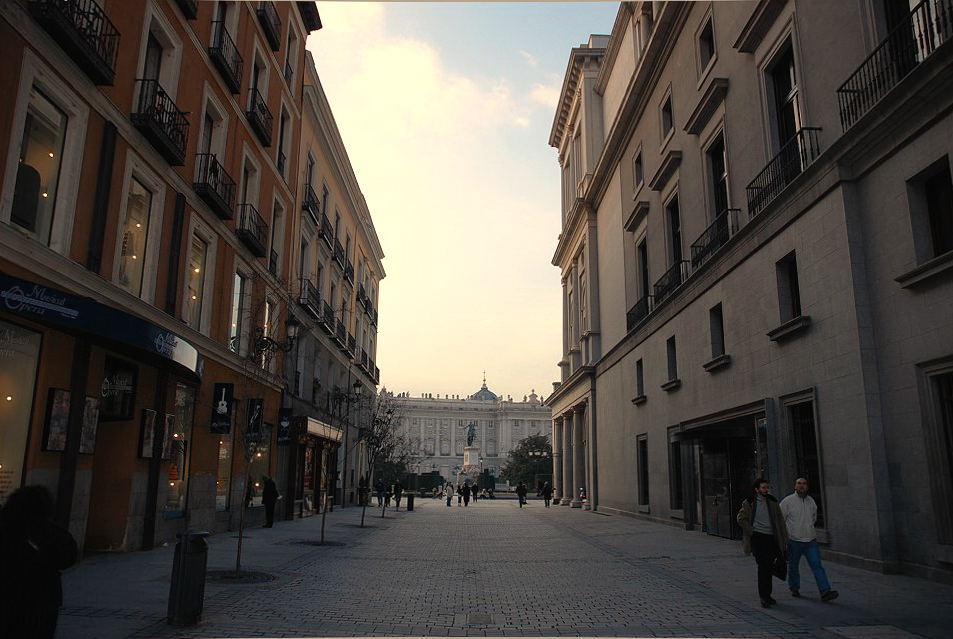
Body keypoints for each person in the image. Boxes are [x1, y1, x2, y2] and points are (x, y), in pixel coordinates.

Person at [0, 485, 78, 639]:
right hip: (42, 601)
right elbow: (68, 556)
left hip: (13, 599)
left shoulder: (8, 529)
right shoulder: (50, 532)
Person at [780, 477, 839, 602]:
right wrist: (786, 537)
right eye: (799, 484)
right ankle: (794, 586)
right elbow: (781, 520)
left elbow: (813, 518)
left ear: (807, 486)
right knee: (794, 566)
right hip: (794, 540)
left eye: (804, 484)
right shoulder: (787, 501)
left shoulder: (811, 501)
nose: (802, 486)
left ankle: (825, 591)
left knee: (817, 565)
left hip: (810, 540)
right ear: (795, 486)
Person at [737, 478, 788, 608]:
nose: (766, 490)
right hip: (758, 538)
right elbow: (741, 519)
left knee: (769, 566)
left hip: (771, 537)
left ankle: (768, 595)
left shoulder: (773, 502)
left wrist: (784, 539)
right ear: (757, 489)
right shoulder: (749, 502)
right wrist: (751, 530)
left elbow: (780, 521)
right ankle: (763, 596)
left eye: (767, 487)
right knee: (763, 566)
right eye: (763, 487)